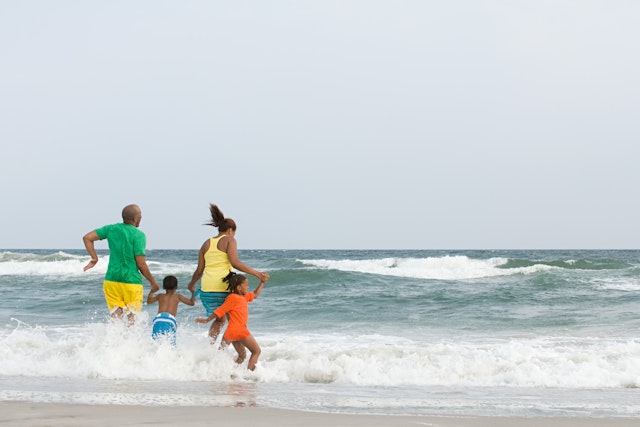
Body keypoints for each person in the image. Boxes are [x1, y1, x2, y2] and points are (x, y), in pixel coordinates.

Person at [186, 203, 269, 342]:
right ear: (230, 230)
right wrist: (257, 274)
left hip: (207, 289)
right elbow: (235, 262)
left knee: (219, 320)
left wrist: (191, 284)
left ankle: (210, 347)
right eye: (234, 232)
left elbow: (199, 270)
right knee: (234, 322)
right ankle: (238, 356)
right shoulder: (230, 240)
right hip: (224, 288)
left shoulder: (206, 243)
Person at [82, 204, 160, 323]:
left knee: (116, 319)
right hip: (131, 283)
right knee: (132, 320)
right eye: (140, 215)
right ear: (135, 218)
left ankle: (114, 341)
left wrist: (94, 258)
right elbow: (141, 264)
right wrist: (153, 282)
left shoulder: (111, 229)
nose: (141, 218)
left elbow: (87, 238)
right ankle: (130, 342)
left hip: (111, 281)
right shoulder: (138, 235)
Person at [195, 272, 266, 370]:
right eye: (246, 285)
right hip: (240, 331)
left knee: (241, 356)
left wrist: (262, 282)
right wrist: (207, 320)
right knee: (256, 351)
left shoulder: (243, 297)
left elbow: (255, 294)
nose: (248, 287)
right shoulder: (232, 298)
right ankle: (249, 375)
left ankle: (231, 375)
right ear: (239, 288)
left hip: (231, 333)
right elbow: (220, 310)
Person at [147, 275, 195, 345]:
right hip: (170, 320)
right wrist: (193, 292)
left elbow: (149, 301)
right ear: (176, 286)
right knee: (170, 344)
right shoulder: (178, 296)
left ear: (163, 287)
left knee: (155, 342)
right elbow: (191, 303)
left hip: (158, 319)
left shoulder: (160, 296)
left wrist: (152, 291)